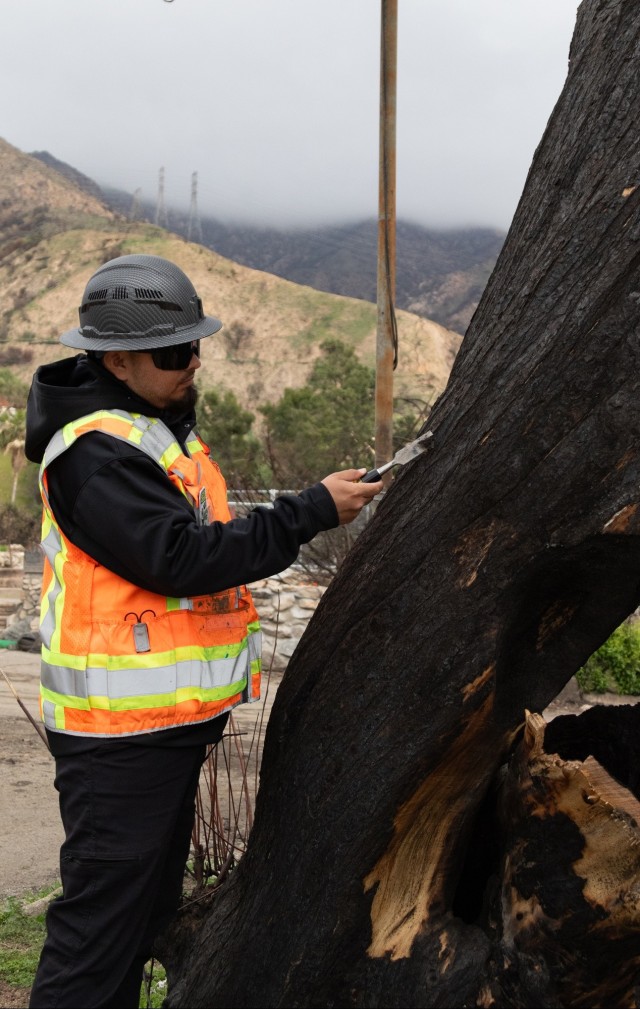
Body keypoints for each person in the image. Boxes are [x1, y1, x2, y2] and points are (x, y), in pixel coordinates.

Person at [24, 253, 382, 1008]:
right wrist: (308, 511)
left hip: (158, 728)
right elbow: (179, 558)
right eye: (171, 352)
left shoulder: (149, 431)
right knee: (97, 937)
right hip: (118, 738)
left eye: (194, 344)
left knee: (137, 921)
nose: (192, 361)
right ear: (117, 360)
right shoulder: (96, 452)